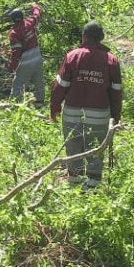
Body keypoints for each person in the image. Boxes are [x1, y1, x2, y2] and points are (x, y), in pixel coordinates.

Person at [50, 21, 122, 190]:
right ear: (102, 38)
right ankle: (92, 189)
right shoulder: (111, 60)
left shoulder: (72, 56)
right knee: (96, 150)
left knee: (73, 149)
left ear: (83, 37)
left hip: (72, 113)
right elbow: (116, 92)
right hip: (99, 115)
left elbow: (60, 86)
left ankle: (74, 186)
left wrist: (54, 107)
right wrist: (116, 117)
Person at [8, 3, 45, 107]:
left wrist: (12, 67)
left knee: (18, 84)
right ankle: (40, 103)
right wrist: (35, 6)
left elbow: (16, 52)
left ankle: (14, 106)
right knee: (38, 81)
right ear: (22, 16)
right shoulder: (29, 22)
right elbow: (37, 15)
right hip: (37, 58)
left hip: (26, 62)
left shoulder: (14, 33)